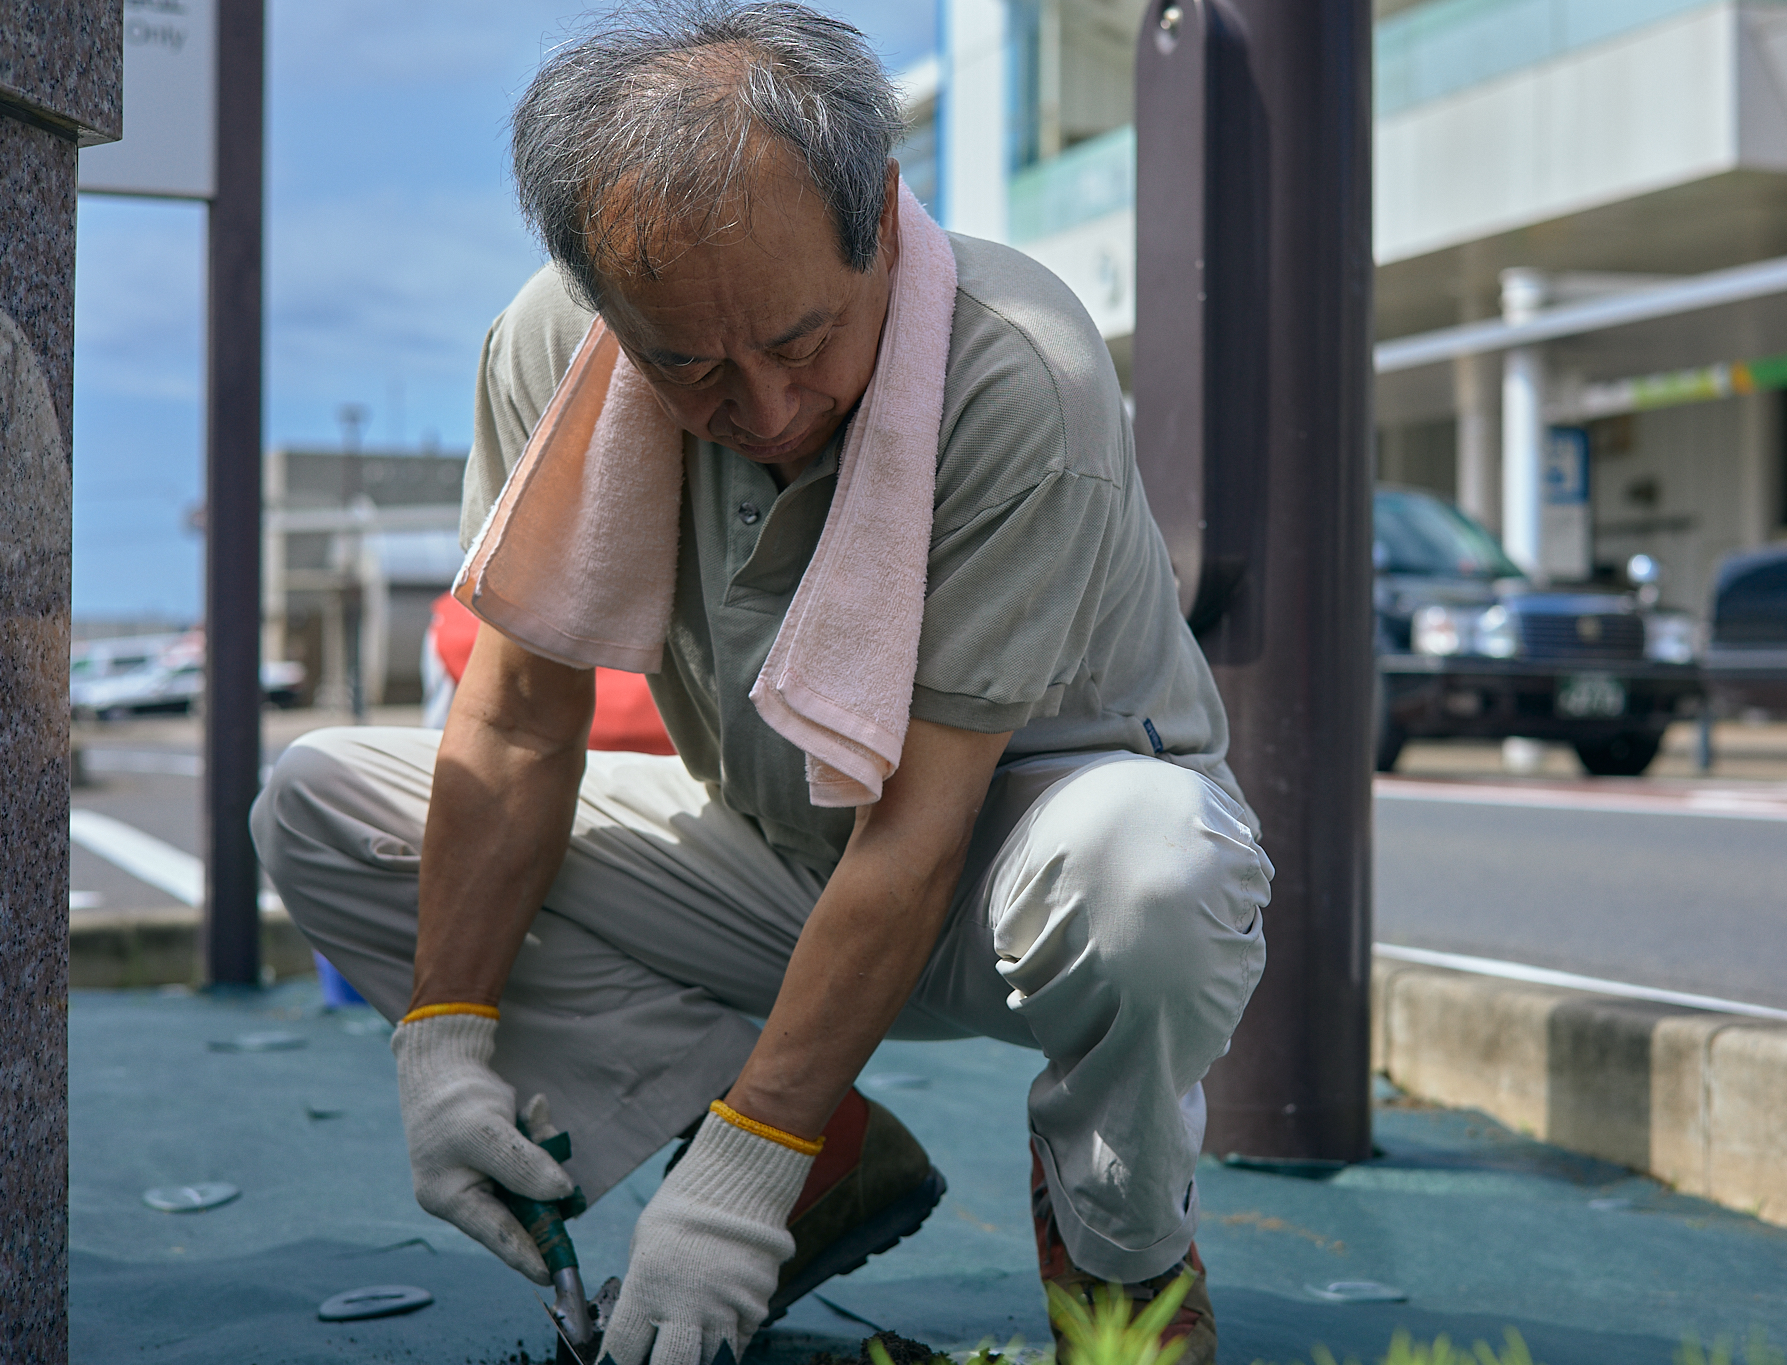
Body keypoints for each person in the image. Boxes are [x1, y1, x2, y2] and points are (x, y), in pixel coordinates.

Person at [251, 5, 1270, 1364]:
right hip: (774, 846)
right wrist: (442, 1035)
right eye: (691, 364)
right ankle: (823, 1153)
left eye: (801, 343)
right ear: (605, 306)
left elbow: (916, 830)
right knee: (320, 803)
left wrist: (738, 1170)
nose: (771, 410)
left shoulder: (1014, 362)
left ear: (878, 232)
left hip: (1012, 865)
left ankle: (1123, 1265)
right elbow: (511, 725)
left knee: (1155, 869)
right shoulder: (549, 351)